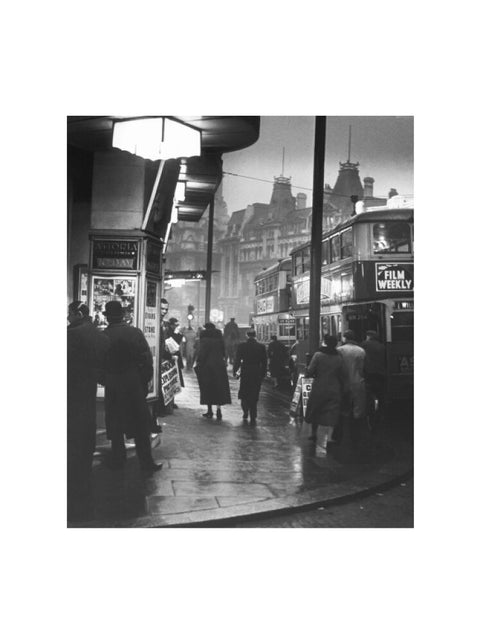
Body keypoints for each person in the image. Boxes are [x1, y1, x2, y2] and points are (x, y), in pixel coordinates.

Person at [103, 300, 162, 473]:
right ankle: (146, 463)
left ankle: (118, 461)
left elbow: (99, 364)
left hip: (113, 386)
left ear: (108, 318)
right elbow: (146, 360)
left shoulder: (104, 336)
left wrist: (107, 379)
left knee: (115, 426)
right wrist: (142, 383)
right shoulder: (134, 333)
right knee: (140, 427)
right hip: (133, 385)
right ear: (122, 315)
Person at [67, 301, 109, 522]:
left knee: (73, 429)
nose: (67, 318)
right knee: (86, 425)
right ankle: (84, 465)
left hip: (71, 390)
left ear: (78, 313)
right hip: (89, 389)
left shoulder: (72, 335)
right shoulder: (99, 335)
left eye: (70, 313)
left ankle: (74, 475)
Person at [304, 334, 349, 449]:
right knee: (332, 411)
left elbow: (310, 371)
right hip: (334, 387)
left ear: (325, 342)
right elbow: (343, 373)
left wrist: (307, 372)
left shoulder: (318, 355)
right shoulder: (338, 357)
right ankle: (329, 437)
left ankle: (313, 433)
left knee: (315, 409)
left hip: (319, 386)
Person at [195, 322, 231, 419]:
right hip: (219, 366)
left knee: (207, 388)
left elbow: (201, 354)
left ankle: (209, 410)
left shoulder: (205, 340)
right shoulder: (220, 340)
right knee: (219, 388)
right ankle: (219, 410)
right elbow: (224, 353)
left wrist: (198, 362)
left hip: (207, 367)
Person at [233, 329, 267, 425]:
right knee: (254, 392)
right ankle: (253, 413)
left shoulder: (242, 346)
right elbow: (264, 362)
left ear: (247, 335)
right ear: (255, 335)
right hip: (256, 371)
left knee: (244, 391)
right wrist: (263, 374)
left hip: (246, 371)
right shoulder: (261, 347)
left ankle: (245, 410)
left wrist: (235, 371)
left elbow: (237, 360)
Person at [337, 329, 367, 421]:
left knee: (344, 407)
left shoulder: (339, 350)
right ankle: (357, 427)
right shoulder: (361, 351)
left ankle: (345, 426)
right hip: (358, 381)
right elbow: (362, 369)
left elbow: (337, 367)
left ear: (345, 338)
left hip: (343, 382)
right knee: (358, 407)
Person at [361, 330, 386, 430]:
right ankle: (380, 417)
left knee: (368, 397)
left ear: (369, 336)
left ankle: (370, 418)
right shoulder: (382, 346)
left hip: (368, 374)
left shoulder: (364, 345)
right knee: (380, 397)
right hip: (380, 375)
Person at [166, 317, 185, 406]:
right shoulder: (168, 332)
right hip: (171, 358)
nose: (175, 327)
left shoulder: (171, 332)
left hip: (174, 358)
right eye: (174, 325)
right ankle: (170, 401)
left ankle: (172, 401)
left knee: (174, 381)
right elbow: (174, 343)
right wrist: (179, 334)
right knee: (171, 380)